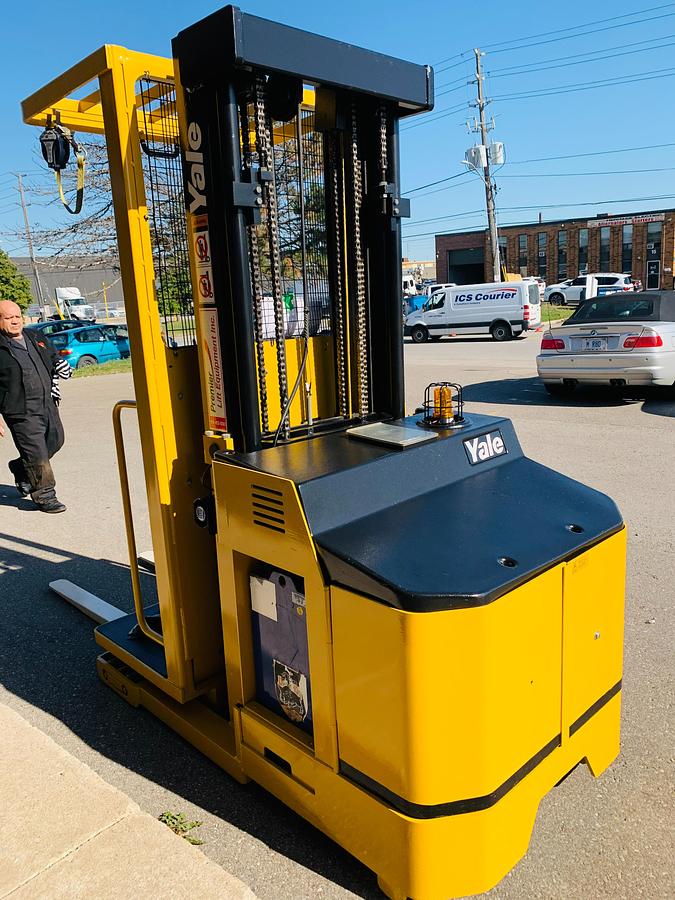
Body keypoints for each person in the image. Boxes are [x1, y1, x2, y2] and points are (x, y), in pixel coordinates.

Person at [0, 300, 70, 513]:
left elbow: (52, 356)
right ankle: (45, 496)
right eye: (8, 317)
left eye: (17, 316)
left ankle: (21, 467)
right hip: (20, 410)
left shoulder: (35, 336)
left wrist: (59, 363)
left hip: (47, 403)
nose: (15, 321)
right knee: (37, 453)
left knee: (56, 440)